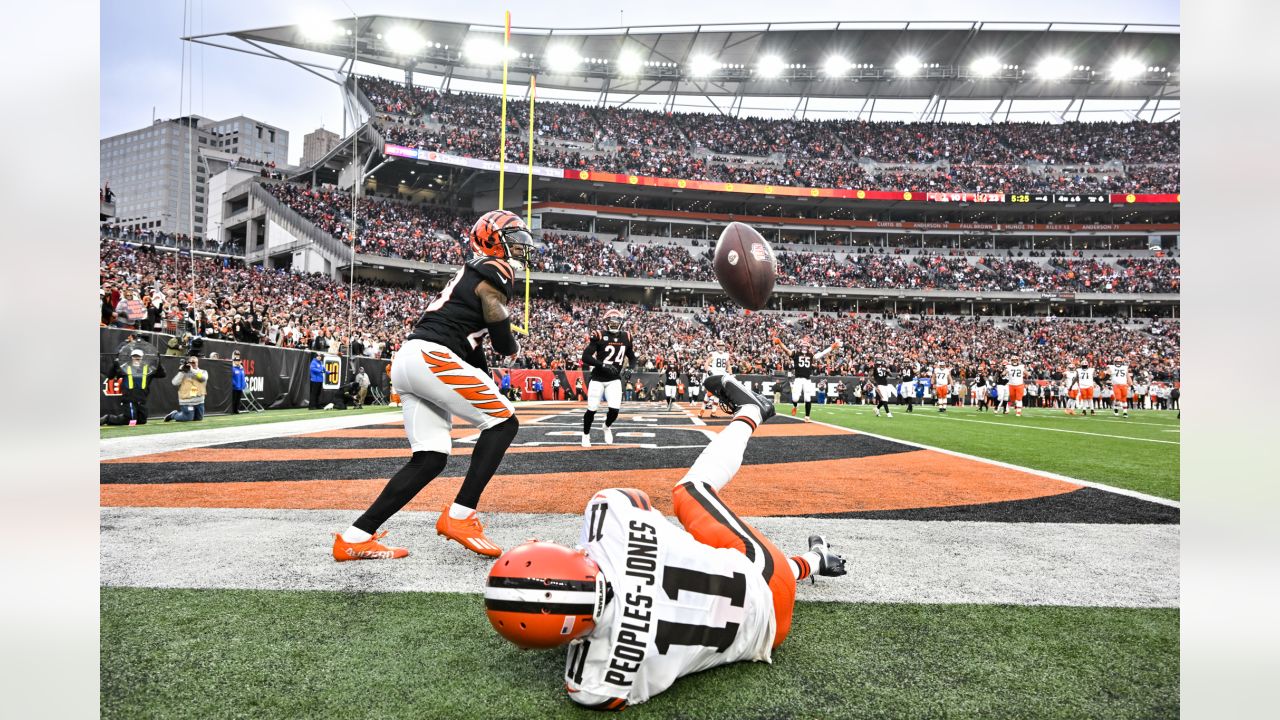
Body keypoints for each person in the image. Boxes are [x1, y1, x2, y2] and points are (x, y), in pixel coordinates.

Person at [482, 374, 847, 709]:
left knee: (712, 568)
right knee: (691, 492)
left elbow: (594, 680)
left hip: (769, 637)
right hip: (765, 574)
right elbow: (631, 504)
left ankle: (815, 560)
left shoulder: (597, 686)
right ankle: (753, 410)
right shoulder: (611, 511)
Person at [333, 209, 535, 561]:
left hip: (412, 358)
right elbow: (499, 331)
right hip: (432, 358)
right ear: (493, 242)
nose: (520, 248)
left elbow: (471, 345)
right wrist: (512, 345)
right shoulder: (494, 270)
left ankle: (356, 536)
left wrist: (488, 375)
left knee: (430, 458)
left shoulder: (471, 275)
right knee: (504, 422)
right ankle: (462, 515)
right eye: (514, 240)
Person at [580, 308, 636, 447]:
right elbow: (585, 357)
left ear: (621, 322)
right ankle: (586, 435)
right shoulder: (599, 335)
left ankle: (606, 426)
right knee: (592, 409)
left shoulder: (627, 337)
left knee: (615, 410)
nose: (614, 324)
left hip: (614, 379)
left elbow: (632, 357)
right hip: (598, 378)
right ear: (606, 322)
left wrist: (630, 368)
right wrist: (602, 364)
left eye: (616, 321)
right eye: (611, 321)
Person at [773, 336, 838, 422]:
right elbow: (787, 350)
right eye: (803, 347)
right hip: (798, 379)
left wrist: (832, 347)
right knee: (795, 398)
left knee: (808, 398)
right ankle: (795, 406)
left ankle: (807, 416)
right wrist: (780, 343)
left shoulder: (811, 355)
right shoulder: (796, 354)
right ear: (801, 347)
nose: (804, 349)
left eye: (806, 347)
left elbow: (821, 354)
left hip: (807, 379)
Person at [101, 348, 166, 426]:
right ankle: (108, 418)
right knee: (130, 420)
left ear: (142, 358)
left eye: (138, 356)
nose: (136, 358)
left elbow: (162, 374)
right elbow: (110, 376)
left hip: (141, 400)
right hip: (129, 399)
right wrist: (115, 363)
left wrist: (159, 363)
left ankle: (122, 418)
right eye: (134, 356)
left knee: (142, 421)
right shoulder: (124, 367)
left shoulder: (148, 369)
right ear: (131, 357)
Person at [164, 355, 208, 422]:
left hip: (199, 401)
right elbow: (174, 383)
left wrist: (192, 370)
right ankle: (173, 415)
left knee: (198, 419)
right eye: (192, 363)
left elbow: (203, 378)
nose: (193, 364)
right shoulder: (184, 373)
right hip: (187, 401)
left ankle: (187, 414)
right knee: (188, 418)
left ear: (197, 363)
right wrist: (182, 372)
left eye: (195, 362)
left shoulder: (203, 372)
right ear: (188, 363)